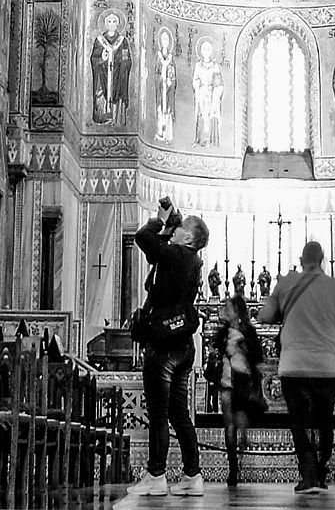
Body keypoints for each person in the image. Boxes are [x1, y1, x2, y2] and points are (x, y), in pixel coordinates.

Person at [259, 240, 335, 496]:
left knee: (299, 422)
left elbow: (264, 316)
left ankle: (308, 476)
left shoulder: (285, 283)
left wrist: (281, 298)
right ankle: (322, 471)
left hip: (293, 365)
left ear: (302, 259)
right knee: (325, 420)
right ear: (323, 260)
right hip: (326, 366)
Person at [133, 198, 210, 498]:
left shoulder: (178, 254)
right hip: (182, 344)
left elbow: (143, 239)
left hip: (163, 346)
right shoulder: (192, 262)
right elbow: (157, 257)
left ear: (189, 237)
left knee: (158, 411)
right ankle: (192, 475)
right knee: (179, 412)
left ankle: (156, 475)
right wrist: (168, 227)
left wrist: (159, 222)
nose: (177, 228)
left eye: (182, 227)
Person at [205, 291, 269, 480]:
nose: (224, 310)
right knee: (229, 424)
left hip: (243, 382)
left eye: (228, 308)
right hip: (226, 381)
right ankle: (233, 465)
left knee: (240, 421)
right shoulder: (222, 333)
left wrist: (243, 347)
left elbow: (258, 355)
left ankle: (240, 452)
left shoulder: (248, 332)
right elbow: (215, 350)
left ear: (237, 311)